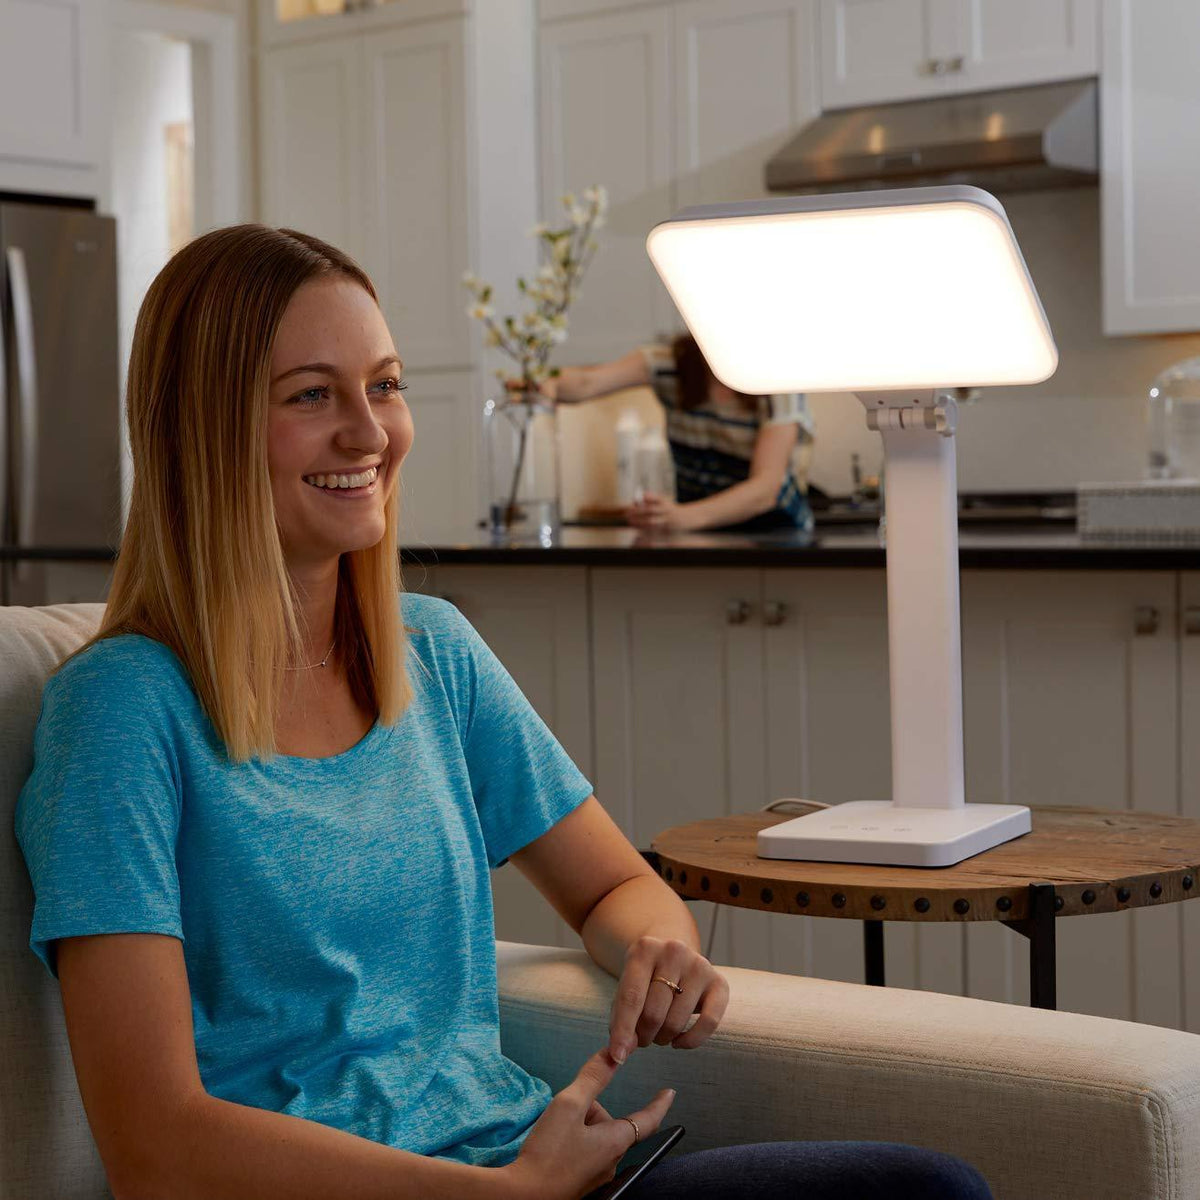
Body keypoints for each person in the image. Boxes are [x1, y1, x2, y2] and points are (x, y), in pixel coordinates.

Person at [13, 225, 992, 1200]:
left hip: (544, 1166)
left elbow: (616, 888)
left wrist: (660, 948)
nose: (370, 432)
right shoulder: (120, 711)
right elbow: (154, 1145)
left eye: (385, 385)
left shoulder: (430, 652)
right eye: (312, 395)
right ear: (201, 426)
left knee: (925, 1188)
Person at [535, 333, 816, 534]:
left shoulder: (780, 381)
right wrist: (546, 384)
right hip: (700, 534)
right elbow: (587, 382)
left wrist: (682, 517)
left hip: (775, 535)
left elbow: (765, 490)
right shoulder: (671, 362)